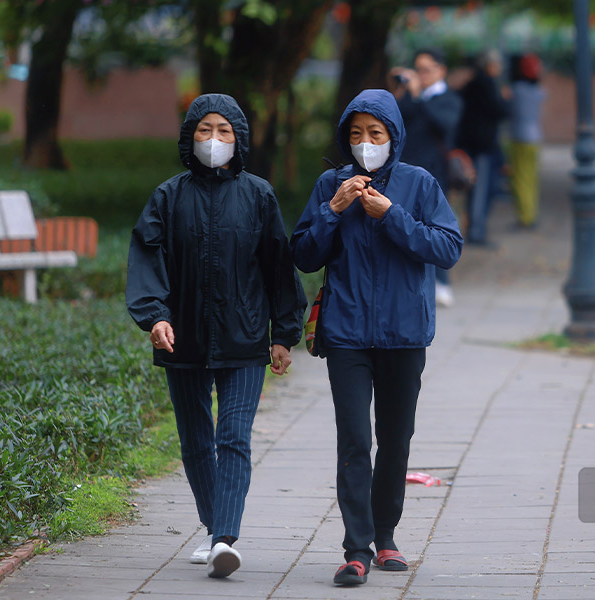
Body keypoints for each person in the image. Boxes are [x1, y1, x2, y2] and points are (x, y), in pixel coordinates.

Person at [126, 93, 306, 579]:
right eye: (205, 130)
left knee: (233, 436)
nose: (214, 140)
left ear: (239, 139)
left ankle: (225, 538)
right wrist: (155, 316)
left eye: (224, 131)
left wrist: (283, 334)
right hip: (181, 339)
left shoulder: (259, 195)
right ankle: (213, 529)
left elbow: (278, 268)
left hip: (245, 340)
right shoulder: (168, 196)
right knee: (194, 441)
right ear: (190, 136)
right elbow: (148, 256)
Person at [291, 89, 463, 586]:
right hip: (345, 334)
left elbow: (447, 247)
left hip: (404, 333)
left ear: (393, 136)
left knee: (395, 440)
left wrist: (391, 215)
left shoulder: (419, 183)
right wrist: (333, 209)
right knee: (354, 438)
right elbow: (302, 254)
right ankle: (356, 549)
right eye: (356, 134)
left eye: (375, 133)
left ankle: (386, 537)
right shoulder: (332, 183)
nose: (365, 143)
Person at [390, 48, 463, 307]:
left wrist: (418, 95)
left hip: (435, 173)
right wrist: (403, 91)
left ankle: (442, 282)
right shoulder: (412, 98)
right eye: (417, 69)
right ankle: (413, 281)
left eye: (426, 70)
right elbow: (395, 120)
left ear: (441, 70)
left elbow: (444, 125)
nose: (420, 75)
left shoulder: (449, 99)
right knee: (405, 222)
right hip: (405, 171)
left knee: (435, 226)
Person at [456, 49, 509, 246]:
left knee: (479, 189)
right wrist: (505, 99)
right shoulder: (485, 84)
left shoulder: (474, 84)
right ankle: (476, 232)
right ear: (490, 65)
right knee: (481, 189)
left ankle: (476, 229)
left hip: (477, 144)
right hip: (481, 146)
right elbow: (500, 109)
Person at [508, 53, 547, 229]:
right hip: (535, 137)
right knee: (532, 179)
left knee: (520, 179)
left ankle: (525, 217)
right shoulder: (539, 92)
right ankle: (531, 213)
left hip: (519, 137)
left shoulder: (516, 90)